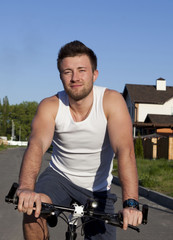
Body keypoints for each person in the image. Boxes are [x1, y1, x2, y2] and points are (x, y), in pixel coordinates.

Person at [17, 40, 142, 240]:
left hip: (98, 188)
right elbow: (37, 144)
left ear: (95, 74)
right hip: (59, 179)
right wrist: (25, 188)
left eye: (82, 70)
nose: (75, 78)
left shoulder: (111, 101)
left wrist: (131, 204)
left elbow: (125, 151)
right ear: (60, 76)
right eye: (67, 72)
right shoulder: (50, 105)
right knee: (33, 211)